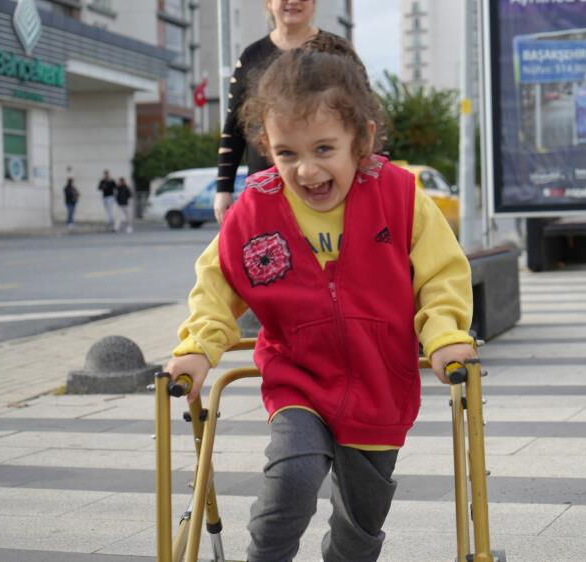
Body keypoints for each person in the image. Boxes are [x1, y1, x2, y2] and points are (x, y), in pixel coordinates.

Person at [164, 48, 475, 561]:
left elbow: (442, 275)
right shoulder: (256, 209)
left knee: (360, 521)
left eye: (324, 149)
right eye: (287, 153)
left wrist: (444, 335)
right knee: (293, 473)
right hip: (298, 376)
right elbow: (218, 282)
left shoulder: (399, 197)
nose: (307, 171)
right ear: (266, 146)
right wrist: (199, 345)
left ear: (363, 141)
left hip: (380, 381)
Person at [213, 0, 344, 224]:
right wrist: (223, 189)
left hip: (328, 185)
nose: (293, 2)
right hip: (266, 186)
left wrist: (375, 176)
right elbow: (234, 126)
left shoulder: (338, 51)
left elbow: (363, 116)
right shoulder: (250, 57)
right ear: (269, 3)